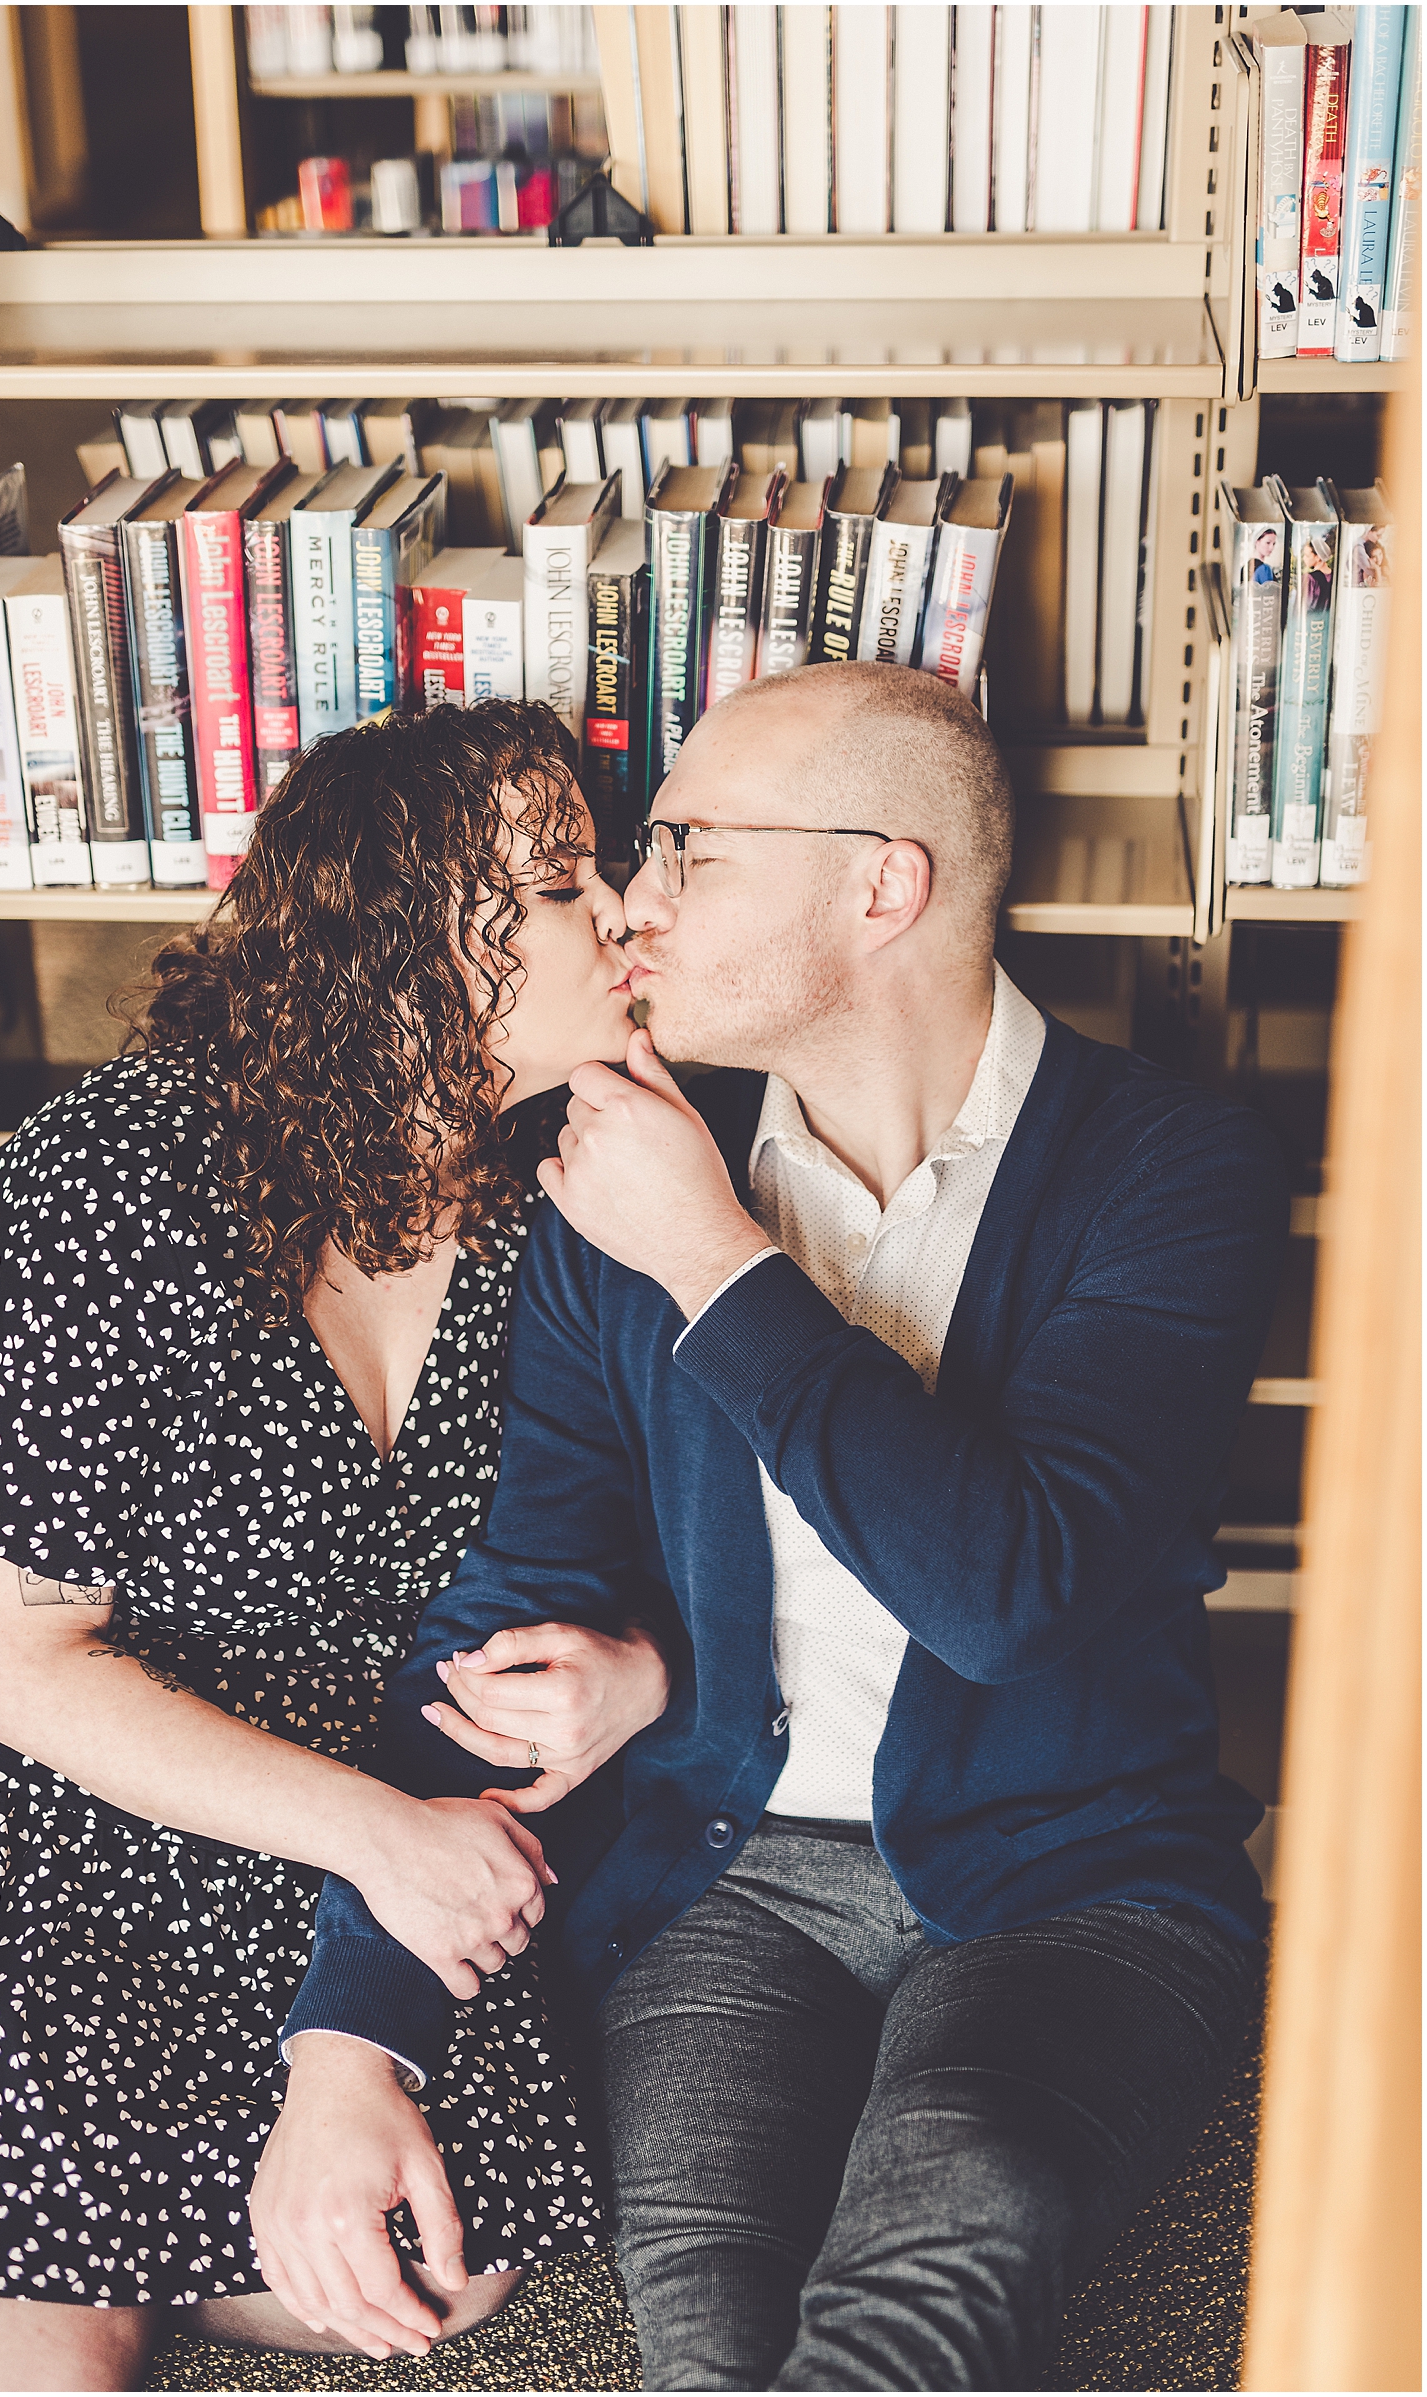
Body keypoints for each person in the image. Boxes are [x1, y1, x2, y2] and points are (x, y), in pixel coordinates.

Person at [257, 662, 1288, 2391]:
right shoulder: (610, 1178)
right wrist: (348, 2042)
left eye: (688, 851)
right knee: (707, 2332)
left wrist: (719, 1265)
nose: (630, 905)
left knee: (942, 2256)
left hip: (1081, 1882)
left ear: (882, 882)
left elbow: (1007, 1595)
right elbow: (504, 1620)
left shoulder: (1172, 1171)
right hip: (725, 1874)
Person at [0, 703, 673, 2394]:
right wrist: (385, 1840)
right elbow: (23, 1669)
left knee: (457, 2267)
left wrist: (643, 1672)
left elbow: (647, 1540)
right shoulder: (99, 1193)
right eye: (570, 882)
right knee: (50, 2353)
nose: (630, 914)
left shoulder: (568, 1189)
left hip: (315, 1788)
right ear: (419, 933)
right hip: (40, 1800)